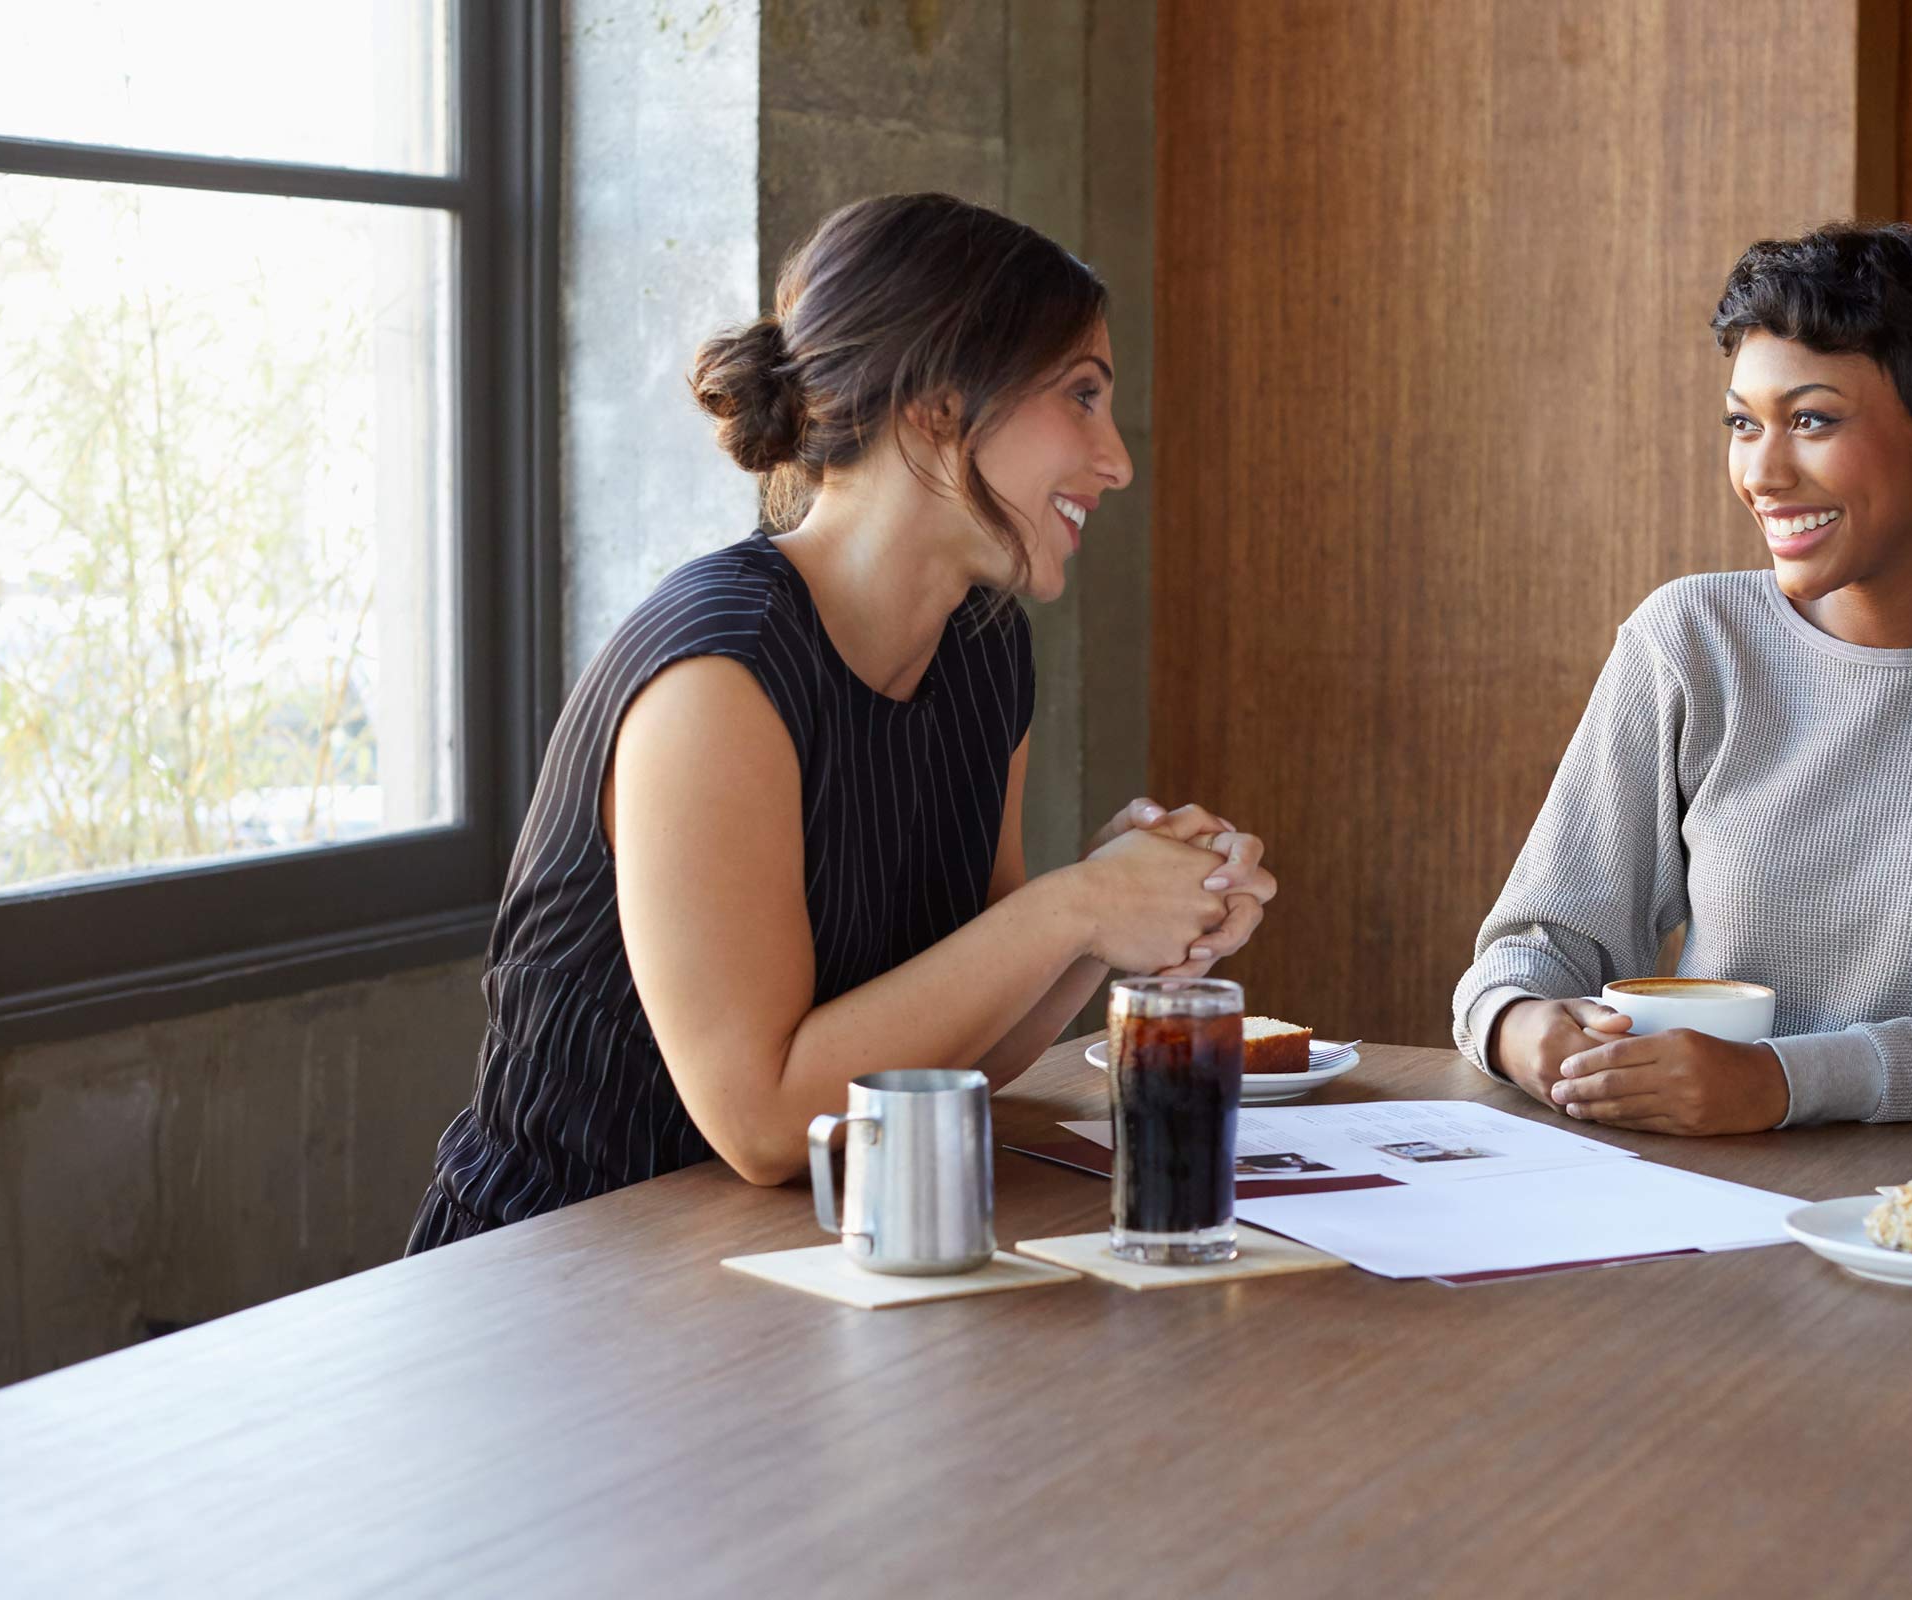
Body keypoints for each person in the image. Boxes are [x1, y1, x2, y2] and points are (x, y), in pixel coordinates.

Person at [409, 194, 1276, 1248]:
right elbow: (766, 1121)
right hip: (558, 1282)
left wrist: (1111, 920)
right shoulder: (717, 671)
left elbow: (966, 1053)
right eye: (1082, 397)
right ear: (937, 406)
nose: (1117, 459)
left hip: (791, 1267)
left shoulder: (984, 646)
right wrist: (1072, 908)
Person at [1451, 222, 1912, 1136]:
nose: (1762, 472)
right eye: (1743, 423)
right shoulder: (1691, 637)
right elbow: (1536, 948)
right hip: (1688, 1186)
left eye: (1812, 420)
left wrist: (1779, 1083)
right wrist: (1523, 1030)